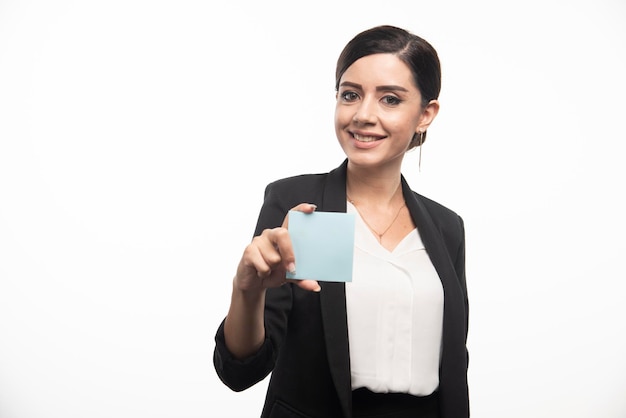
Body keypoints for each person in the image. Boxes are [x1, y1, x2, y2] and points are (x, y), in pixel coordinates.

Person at [213, 25, 469, 418]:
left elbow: (454, 365)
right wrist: (247, 290)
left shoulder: (445, 227)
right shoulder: (300, 207)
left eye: (390, 99)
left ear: (425, 114)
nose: (364, 115)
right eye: (350, 95)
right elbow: (241, 370)